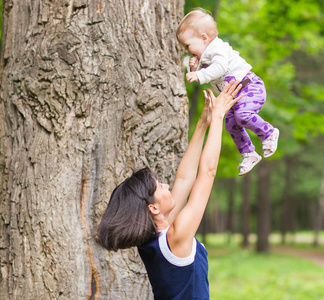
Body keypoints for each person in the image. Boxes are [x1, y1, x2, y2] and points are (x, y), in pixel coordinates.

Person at [97, 81, 244, 300]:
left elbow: (185, 178)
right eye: (160, 187)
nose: (167, 186)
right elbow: (208, 172)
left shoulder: (156, 238)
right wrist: (219, 117)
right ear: (153, 208)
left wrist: (204, 123)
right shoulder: (176, 236)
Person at [176, 8, 279, 176]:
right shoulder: (205, 56)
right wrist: (195, 67)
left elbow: (220, 68)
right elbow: (209, 71)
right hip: (235, 96)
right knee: (231, 124)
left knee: (243, 115)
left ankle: (269, 132)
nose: (186, 51)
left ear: (204, 38)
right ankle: (249, 154)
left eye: (187, 45)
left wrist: (199, 74)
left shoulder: (217, 49)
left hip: (249, 87)